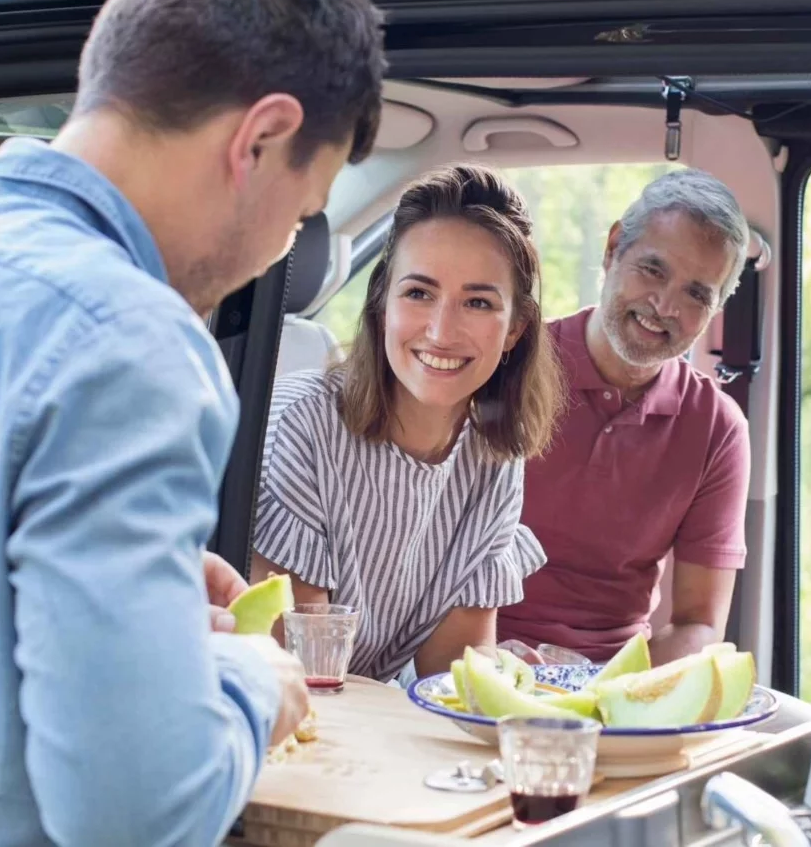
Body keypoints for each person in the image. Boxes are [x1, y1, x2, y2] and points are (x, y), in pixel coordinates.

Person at [0, 0, 384, 847]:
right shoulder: (131, 345)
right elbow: (134, 813)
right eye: (302, 212)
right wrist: (252, 681)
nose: (280, 248)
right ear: (261, 138)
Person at [251, 164, 565, 685]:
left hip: (373, 714)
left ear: (515, 329)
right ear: (382, 305)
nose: (441, 331)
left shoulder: (494, 462)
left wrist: (504, 683)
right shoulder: (302, 427)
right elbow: (302, 673)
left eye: (478, 302)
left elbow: (450, 672)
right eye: (419, 293)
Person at [497, 169, 753, 665]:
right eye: (653, 270)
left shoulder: (717, 428)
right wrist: (485, 659)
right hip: (477, 659)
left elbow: (699, 624)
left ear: (717, 307)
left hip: (617, 679)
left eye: (696, 294)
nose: (664, 306)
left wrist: (611, 688)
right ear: (614, 248)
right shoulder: (507, 364)